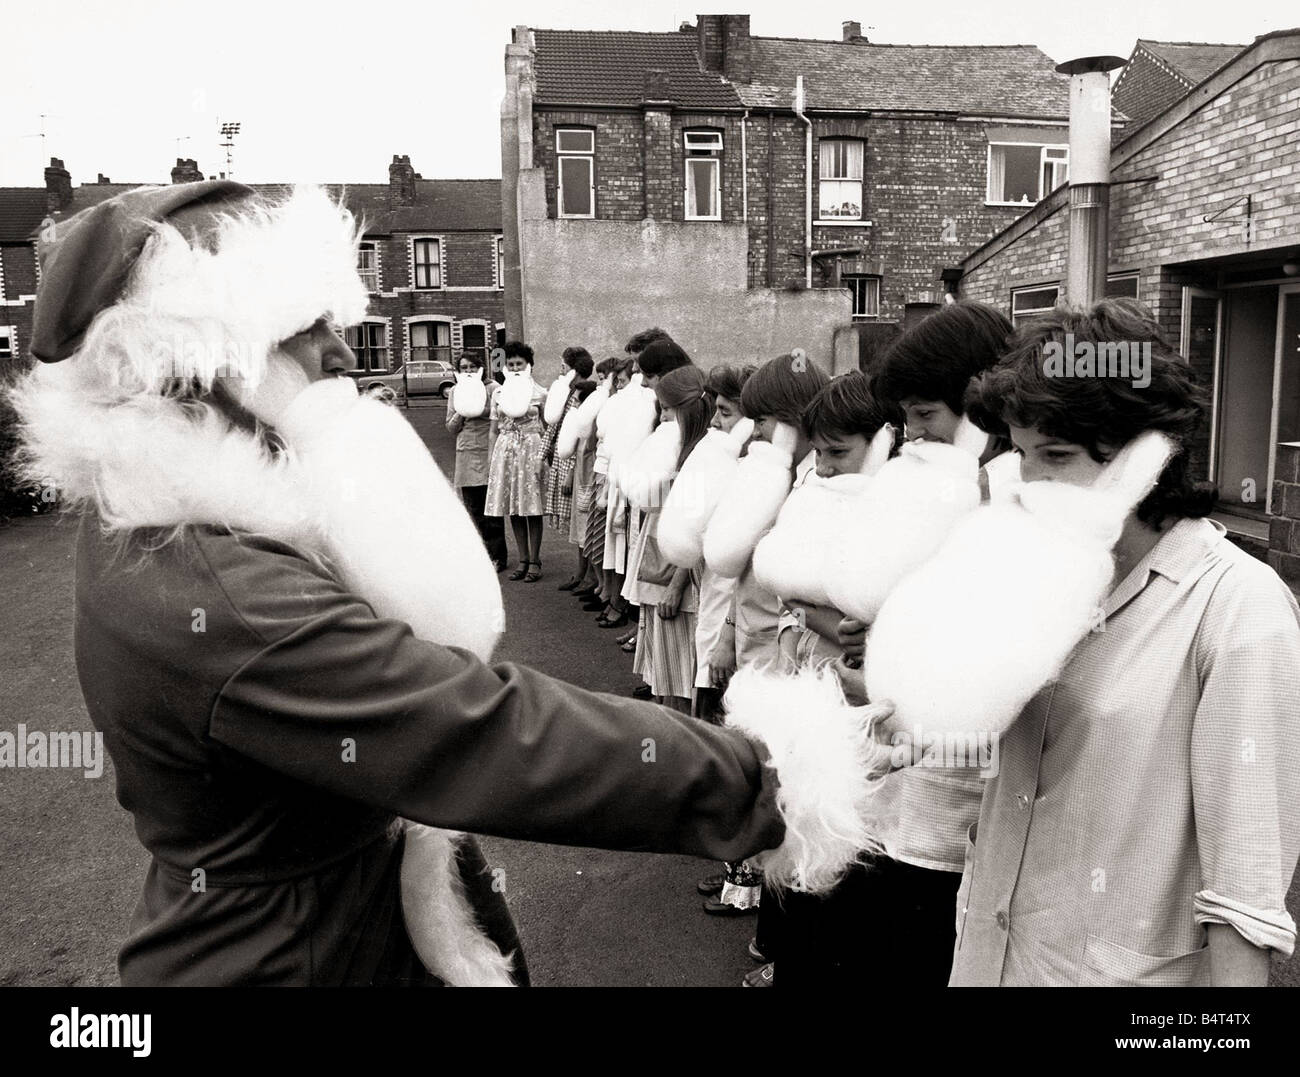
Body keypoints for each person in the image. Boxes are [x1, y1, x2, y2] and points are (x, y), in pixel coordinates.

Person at [9, 181, 892, 986]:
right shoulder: (217, 583)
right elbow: (480, 731)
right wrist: (767, 772)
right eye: (299, 329)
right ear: (195, 363)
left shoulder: (189, 526)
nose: (338, 352)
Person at [938, 299, 1300, 986]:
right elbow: (977, 747)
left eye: (1058, 456)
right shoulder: (1032, 576)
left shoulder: (1235, 609)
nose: (1029, 484)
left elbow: (1245, 898)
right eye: (1020, 453)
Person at [629, 364, 711, 713]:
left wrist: (676, 586)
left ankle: (674, 746)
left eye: (666, 408)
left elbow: (700, 529)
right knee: (662, 669)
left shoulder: (700, 455)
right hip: (658, 558)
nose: (661, 416)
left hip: (676, 575)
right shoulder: (676, 447)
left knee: (677, 672)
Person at [691, 363, 754, 724]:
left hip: (734, 639)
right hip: (715, 626)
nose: (714, 422)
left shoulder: (756, 481)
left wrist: (726, 641)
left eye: (724, 412)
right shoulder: (727, 468)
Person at [485, 340, 548, 582]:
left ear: (529, 365)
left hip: (531, 450)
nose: (514, 368)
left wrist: (544, 457)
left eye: (519, 363)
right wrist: (492, 456)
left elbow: (547, 427)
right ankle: (522, 559)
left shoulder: (540, 393)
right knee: (514, 508)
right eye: (510, 364)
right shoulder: (499, 394)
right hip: (506, 450)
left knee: (532, 508)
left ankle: (535, 559)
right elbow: (493, 429)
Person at [445, 353, 507, 571]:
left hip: (487, 449)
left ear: (481, 368)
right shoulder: (455, 391)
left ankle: (498, 555)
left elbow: (502, 417)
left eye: (472, 367)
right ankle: (483, 553)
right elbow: (451, 428)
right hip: (466, 452)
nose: (468, 371)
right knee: (473, 507)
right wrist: (461, 413)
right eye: (464, 368)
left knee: (491, 507)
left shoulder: (493, 388)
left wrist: (479, 408)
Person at [544, 347, 594, 589]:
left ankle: (589, 576)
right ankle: (582, 572)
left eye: (563, 366)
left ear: (573, 370)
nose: (560, 371)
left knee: (584, 522)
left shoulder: (586, 395)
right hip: (564, 464)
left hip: (578, 468)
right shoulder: (568, 393)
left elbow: (582, 439)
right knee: (577, 524)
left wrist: (571, 473)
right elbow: (556, 429)